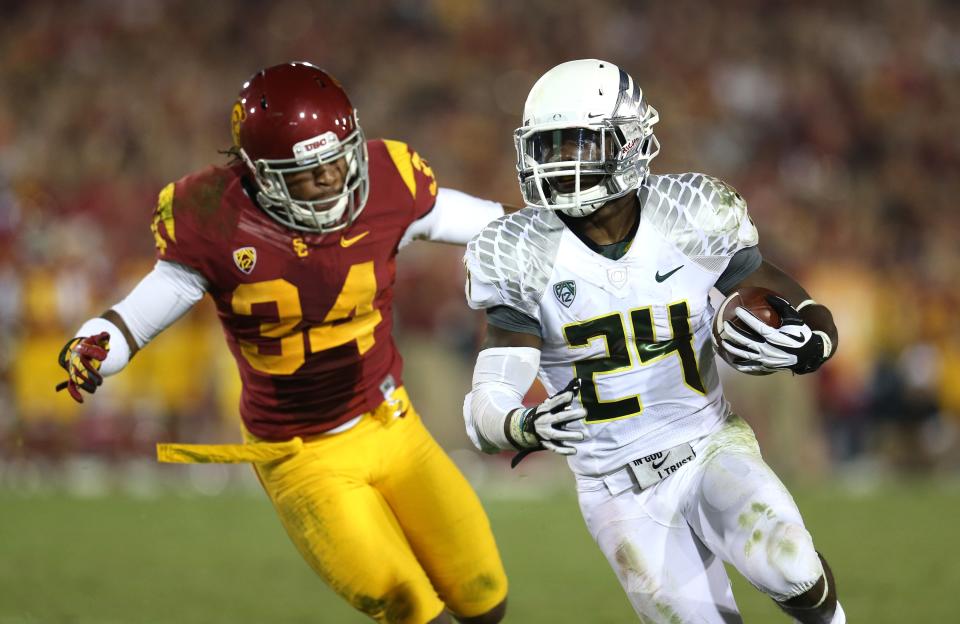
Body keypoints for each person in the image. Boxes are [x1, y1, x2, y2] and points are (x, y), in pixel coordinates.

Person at [57, 61, 509, 624]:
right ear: (259, 174)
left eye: (337, 158)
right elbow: (151, 302)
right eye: (307, 171)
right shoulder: (213, 219)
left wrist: (544, 233)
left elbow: (470, 219)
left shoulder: (390, 181)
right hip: (302, 457)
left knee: (486, 600)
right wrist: (97, 343)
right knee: (414, 609)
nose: (330, 178)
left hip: (394, 422)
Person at [463, 59, 845, 623]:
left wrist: (813, 342)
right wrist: (522, 423)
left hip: (710, 442)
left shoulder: (688, 213)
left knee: (789, 562)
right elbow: (489, 396)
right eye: (549, 147)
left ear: (629, 141)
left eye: (580, 144)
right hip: (617, 486)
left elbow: (797, 303)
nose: (562, 162)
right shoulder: (521, 251)